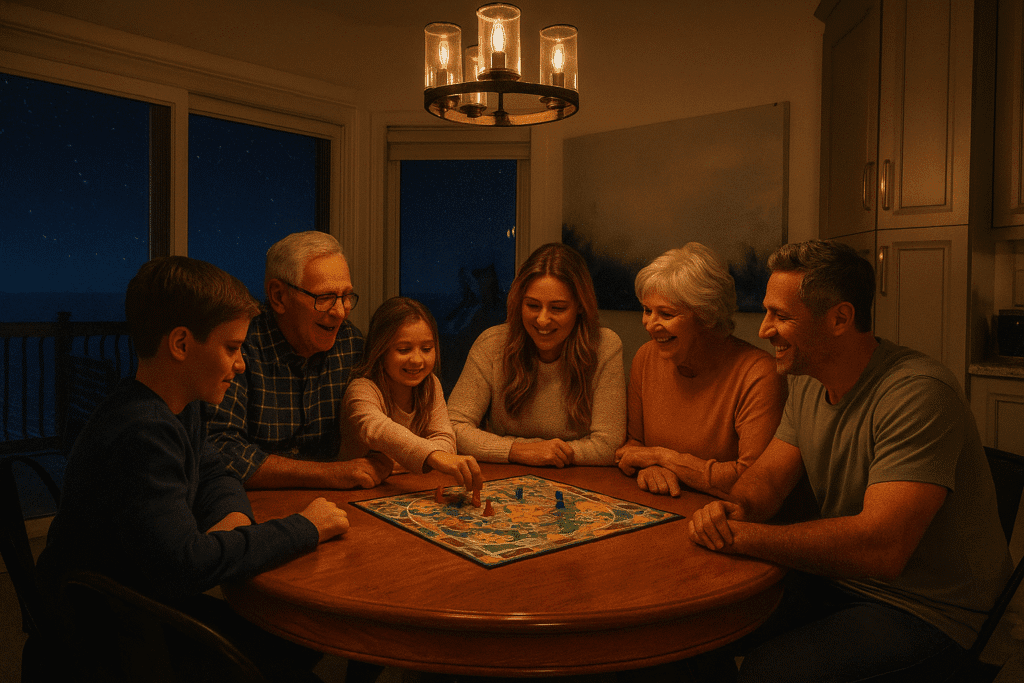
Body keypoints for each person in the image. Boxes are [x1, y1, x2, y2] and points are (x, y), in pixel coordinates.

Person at [689, 240, 1013, 682]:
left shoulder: (917, 392)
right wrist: (736, 509)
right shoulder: (807, 380)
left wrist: (745, 537)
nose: (764, 330)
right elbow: (766, 480)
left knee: (770, 672)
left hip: (934, 611)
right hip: (841, 581)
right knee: (697, 632)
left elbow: (882, 548)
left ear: (840, 318)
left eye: (781, 316)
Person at [36, 256, 350, 680]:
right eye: (232, 348)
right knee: (298, 641)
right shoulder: (142, 433)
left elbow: (217, 472)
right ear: (182, 344)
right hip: (109, 635)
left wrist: (232, 518)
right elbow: (185, 566)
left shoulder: (178, 406)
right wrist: (305, 527)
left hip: (137, 599)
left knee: (297, 640)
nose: (240, 365)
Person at [206, 231, 390, 490]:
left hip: (335, 505)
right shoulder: (240, 348)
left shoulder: (350, 344)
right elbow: (220, 450)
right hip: (252, 506)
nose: (339, 312)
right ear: (279, 297)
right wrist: (331, 474)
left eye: (346, 296)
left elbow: (379, 423)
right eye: (324, 298)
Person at [614, 243, 786, 498]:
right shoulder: (646, 357)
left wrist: (664, 458)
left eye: (666, 314)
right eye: (647, 310)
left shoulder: (758, 374)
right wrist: (649, 467)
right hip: (664, 507)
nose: (650, 325)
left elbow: (751, 480)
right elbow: (632, 447)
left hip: (725, 519)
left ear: (706, 316)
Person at [447, 242, 626, 466]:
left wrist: (536, 451)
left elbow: (609, 446)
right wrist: (522, 451)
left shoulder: (605, 346)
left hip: (579, 483)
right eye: (532, 305)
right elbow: (453, 427)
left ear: (580, 306)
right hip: (505, 480)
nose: (542, 319)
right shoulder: (492, 345)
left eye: (558, 308)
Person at [340, 296, 483, 492]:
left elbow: (445, 441)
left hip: (408, 488)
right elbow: (377, 429)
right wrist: (431, 456)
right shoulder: (362, 389)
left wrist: (393, 461)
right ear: (380, 350)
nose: (417, 359)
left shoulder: (430, 384)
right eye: (404, 349)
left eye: (426, 349)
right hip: (357, 492)